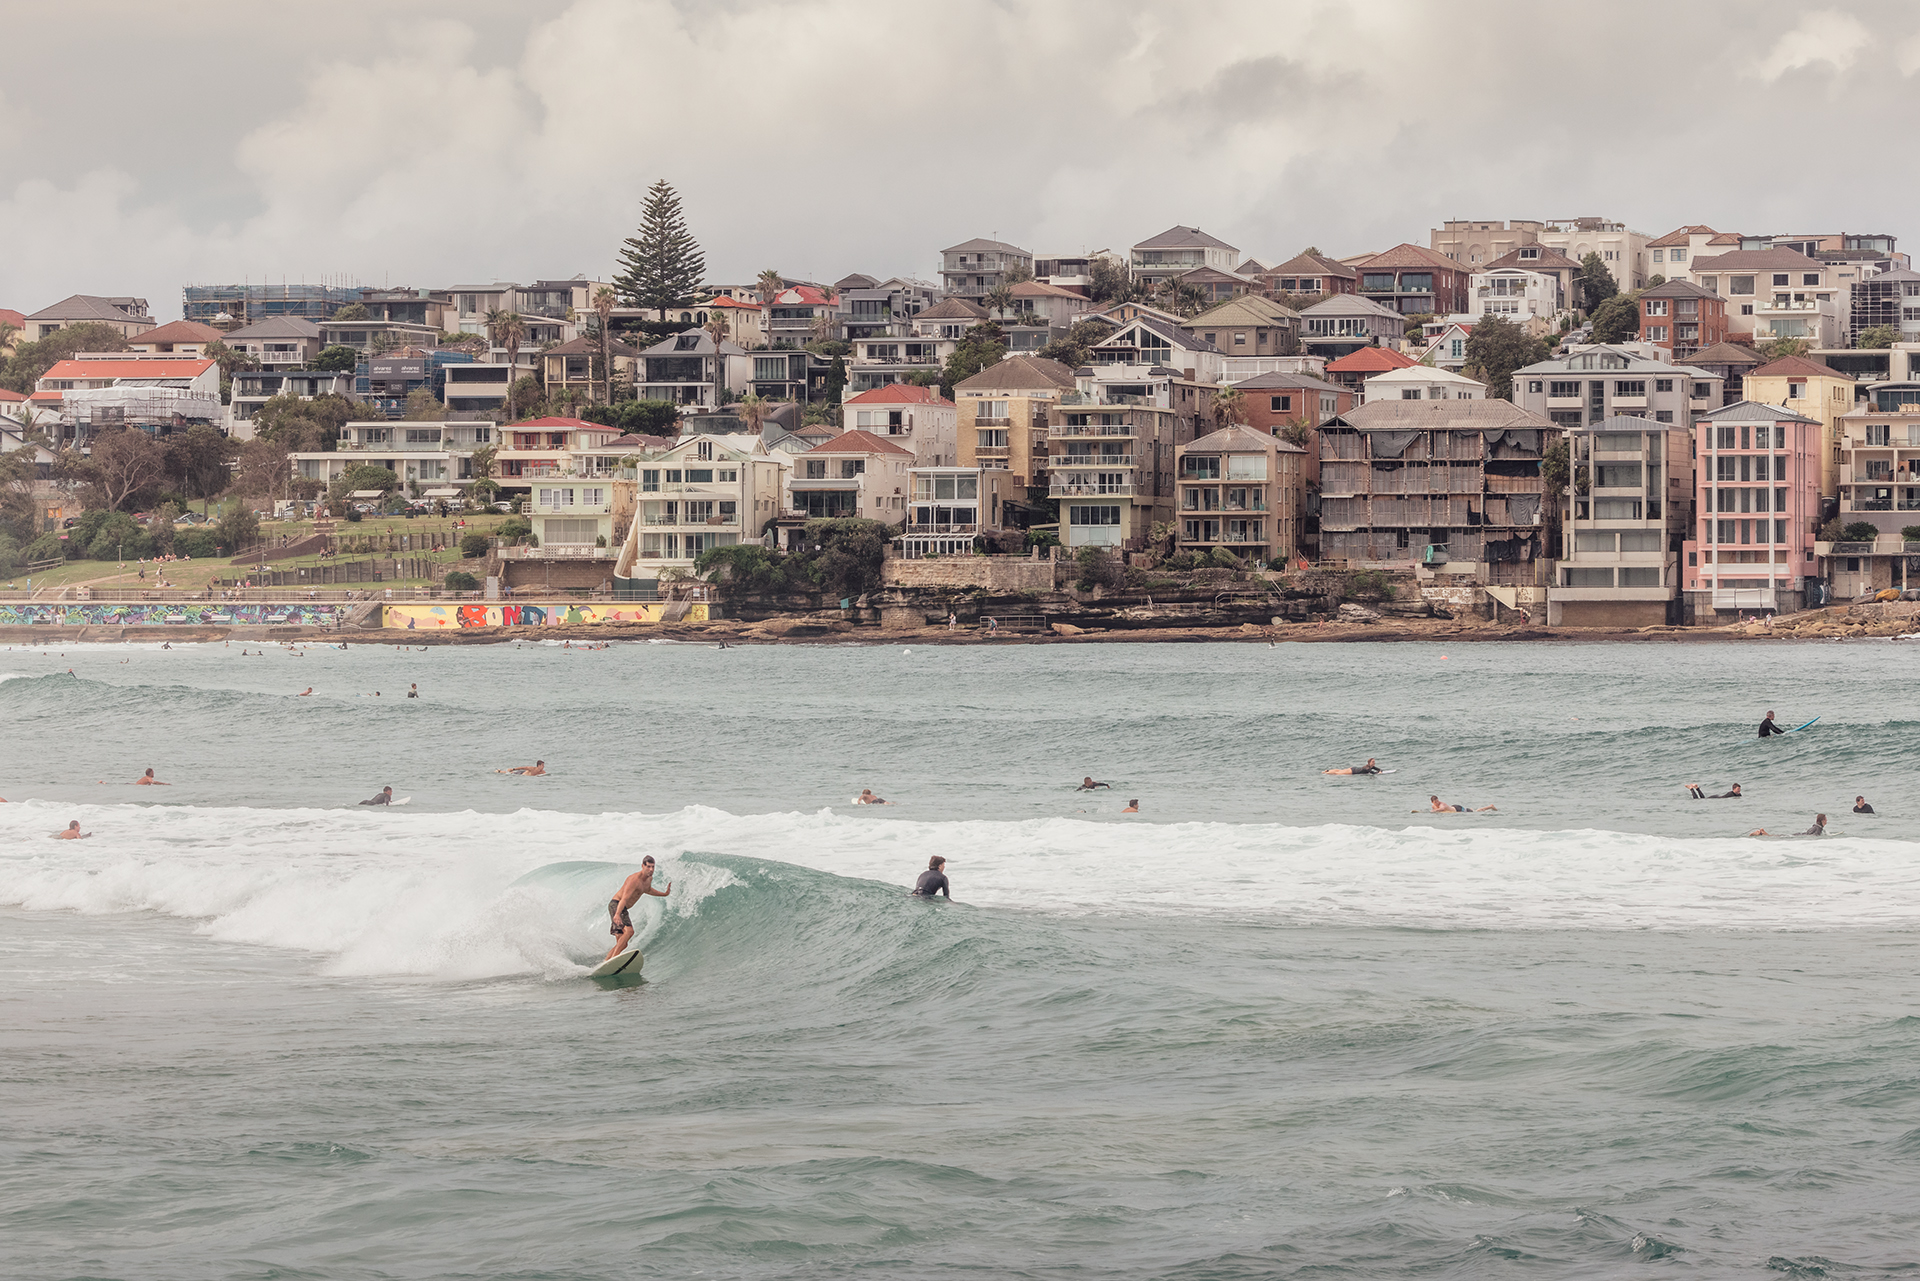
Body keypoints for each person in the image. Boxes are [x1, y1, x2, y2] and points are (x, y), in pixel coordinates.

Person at [605, 857, 671, 959]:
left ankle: (607, 961)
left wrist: (664, 894)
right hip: (617, 905)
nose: (651, 869)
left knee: (623, 943)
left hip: (623, 909)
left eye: (653, 867)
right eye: (648, 866)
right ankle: (614, 958)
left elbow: (648, 890)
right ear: (642, 866)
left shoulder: (649, 879)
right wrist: (617, 914)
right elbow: (624, 899)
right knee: (629, 932)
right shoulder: (634, 880)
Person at [1430, 795, 1496, 813]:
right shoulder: (1433, 806)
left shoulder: (1442, 804)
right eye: (1435, 802)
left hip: (1458, 809)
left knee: (1476, 811)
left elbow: (1442, 809)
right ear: (1432, 802)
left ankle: (1490, 806)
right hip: (1454, 807)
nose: (1437, 802)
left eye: (1438, 801)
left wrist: (1433, 811)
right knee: (1470, 811)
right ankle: (1469, 809)